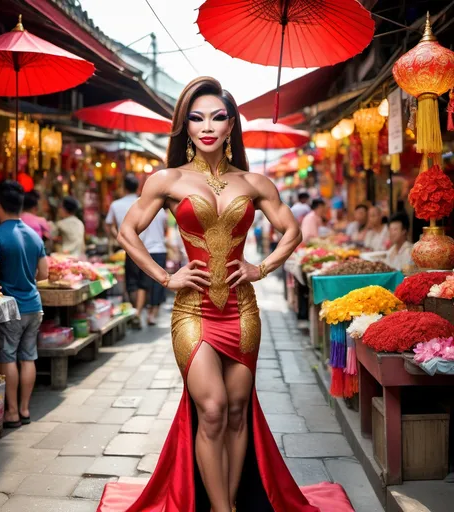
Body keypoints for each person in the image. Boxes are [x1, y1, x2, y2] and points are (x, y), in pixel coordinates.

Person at [99, 77, 352, 512]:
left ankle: (231, 503)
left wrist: (262, 267)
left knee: (237, 412)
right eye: (196, 118)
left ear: (232, 124)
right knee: (212, 407)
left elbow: (291, 232)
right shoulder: (167, 179)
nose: (207, 125)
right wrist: (165, 277)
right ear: (185, 126)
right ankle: (218, 508)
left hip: (243, 311)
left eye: (218, 116)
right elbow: (127, 231)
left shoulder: (255, 182)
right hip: (192, 311)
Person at [0, 180, 48, 428]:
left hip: (12, 309)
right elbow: (43, 275)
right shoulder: (34, 235)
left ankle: (11, 413)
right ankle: (25, 409)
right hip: (34, 306)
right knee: (28, 357)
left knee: (8, 358)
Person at [106, 174, 151, 329]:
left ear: (123, 187)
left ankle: (134, 312)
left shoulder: (115, 205)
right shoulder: (145, 203)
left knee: (131, 283)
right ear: (137, 187)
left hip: (128, 248)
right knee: (143, 283)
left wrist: (119, 236)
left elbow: (109, 225)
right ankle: (138, 313)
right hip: (146, 247)